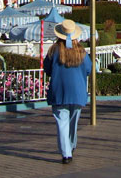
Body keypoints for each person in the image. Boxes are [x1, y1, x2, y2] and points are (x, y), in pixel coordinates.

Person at [43, 19, 92, 165]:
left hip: (59, 91)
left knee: (62, 122)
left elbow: (47, 69)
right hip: (77, 91)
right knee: (73, 122)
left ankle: (66, 153)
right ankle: (70, 146)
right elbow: (88, 69)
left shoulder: (53, 50)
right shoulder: (81, 52)